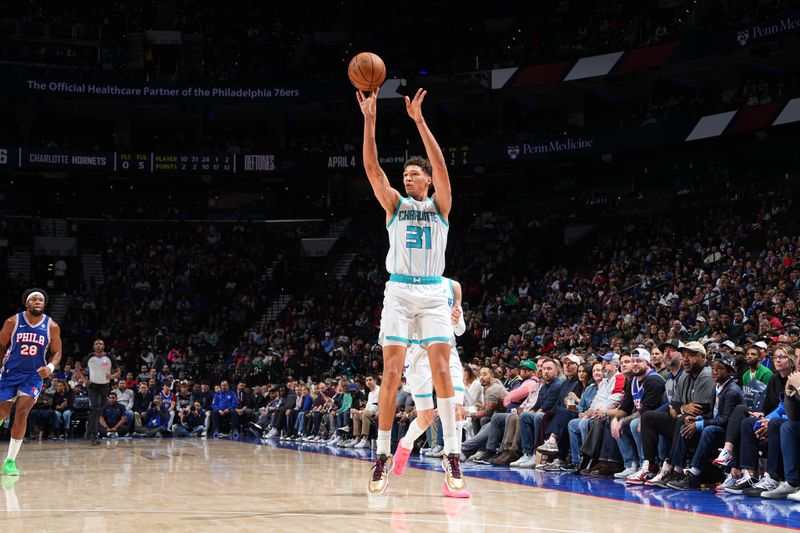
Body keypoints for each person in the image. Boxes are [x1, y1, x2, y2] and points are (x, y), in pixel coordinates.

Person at [357, 87, 464, 497]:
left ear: (429, 181)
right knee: (390, 373)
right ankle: (381, 456)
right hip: (400, 292)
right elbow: (371, 168)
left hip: (433, 292)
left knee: (441, 371)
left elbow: (441, 165)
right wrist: (370, 119)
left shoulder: (441, 207)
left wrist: (419, 120)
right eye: (405, 174)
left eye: (414, 174)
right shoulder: (395, 206)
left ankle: (452, 455)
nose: (407, 177)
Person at [392, 278, 468, 486]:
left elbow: (460, 329)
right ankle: (405, 445)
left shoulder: (453, 286)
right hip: (419, 354)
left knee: (456, 410)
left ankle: (452, 468)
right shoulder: (407, 282)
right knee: (425, 417)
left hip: (447, 351)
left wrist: (456, 319)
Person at [0, 288, 63, 476]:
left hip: (33, 376)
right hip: (10, 373)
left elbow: (57, 351)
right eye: (34, 299)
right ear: (27, 303)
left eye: (41, 300)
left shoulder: (51, 326)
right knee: (2, 412)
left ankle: (9, 461)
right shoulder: (13, 321)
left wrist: (50, 368)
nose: (37, 301)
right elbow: (1, 345)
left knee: (22, 412)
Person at [81, 338, 120, 445]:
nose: (99, 345)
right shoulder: (89, 357)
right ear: (94, 346)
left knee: (98, 410)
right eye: (97, 344)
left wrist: (111, 376)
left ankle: (89, 431)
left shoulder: (109, 357)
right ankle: (94, 435)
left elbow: (118, 371)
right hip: (93, 386)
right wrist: (85, 380)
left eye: (101, 344)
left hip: (105, 386)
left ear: (104, 346)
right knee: (95, 407)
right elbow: (79, 369)